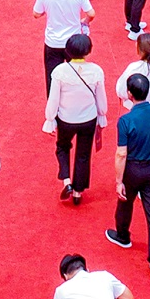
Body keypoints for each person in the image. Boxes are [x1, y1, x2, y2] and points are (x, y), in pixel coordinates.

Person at [107, 72, 150, 276]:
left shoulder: (126, 120)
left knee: (125, 202)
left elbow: (121, 153)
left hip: (133, 169)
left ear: (129, 94)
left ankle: (123, 235)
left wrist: (119, 181)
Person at [43, 33, 107, 206]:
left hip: (66, 119)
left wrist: (50, 119)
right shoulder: (96, 71)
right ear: (88, 51)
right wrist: (102, 116)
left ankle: (66, 181)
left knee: (62, 147)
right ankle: (78, 192)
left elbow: (53, 98)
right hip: (88, 119)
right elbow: (101, 98)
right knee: (84, 154)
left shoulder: (59, 71)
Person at [35, 0, 95, 89]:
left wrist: (46, 10)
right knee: (77, 78)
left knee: (52, 79)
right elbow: (91, 13)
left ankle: (53, 102)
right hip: (73, 43)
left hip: (52, 42)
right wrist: (85, 22)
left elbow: (36, 14)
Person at [57, 254, 135, 299]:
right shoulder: (105, 276)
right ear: (87, 270)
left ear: (65, 276)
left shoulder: (60, 290)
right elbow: (129, 298)